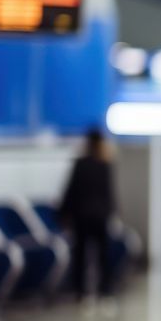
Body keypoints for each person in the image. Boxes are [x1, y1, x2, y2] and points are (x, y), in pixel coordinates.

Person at [59, 128, 116, 303]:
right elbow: (109, 193)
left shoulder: (81, 163)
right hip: (100, 216)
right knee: (102, 255)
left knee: (81, 255)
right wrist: (111, 212)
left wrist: (63, 213)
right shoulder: (105, 164)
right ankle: (104, 290)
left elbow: (71, 190)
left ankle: (81, 292)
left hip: (82, 216)